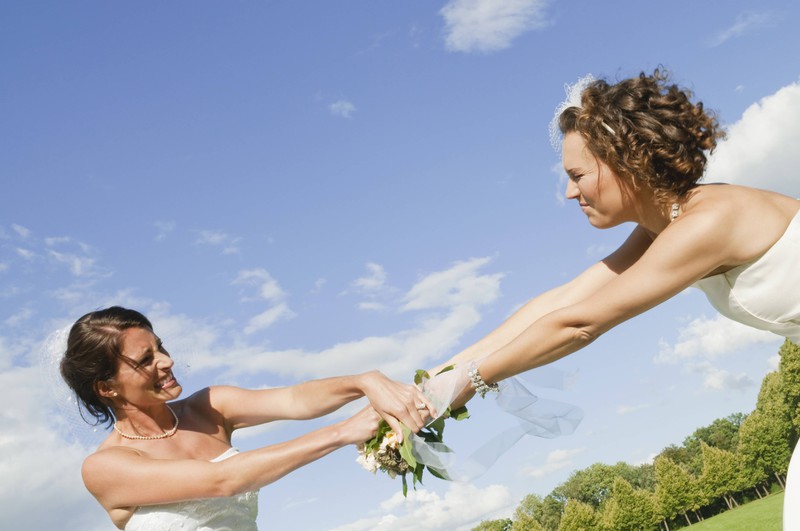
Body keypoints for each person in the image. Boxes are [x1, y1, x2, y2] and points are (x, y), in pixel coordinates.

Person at [431, 69, 799, 525]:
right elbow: (559, 303)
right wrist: (430, 384)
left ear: (626, 160)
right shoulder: (663, 227)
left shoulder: (709, 221)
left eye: (577, 175)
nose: (568, 192)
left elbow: (581, 323)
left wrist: (462, 388)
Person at [60, 306, 434, 530]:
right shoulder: (106, 466)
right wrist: (341, 432)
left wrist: (364, 382)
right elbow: (223, 480)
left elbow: (296, 400)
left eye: (161, 348)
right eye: (145, 360)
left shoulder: (210, 406)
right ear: (106, 388)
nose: (167, 361)